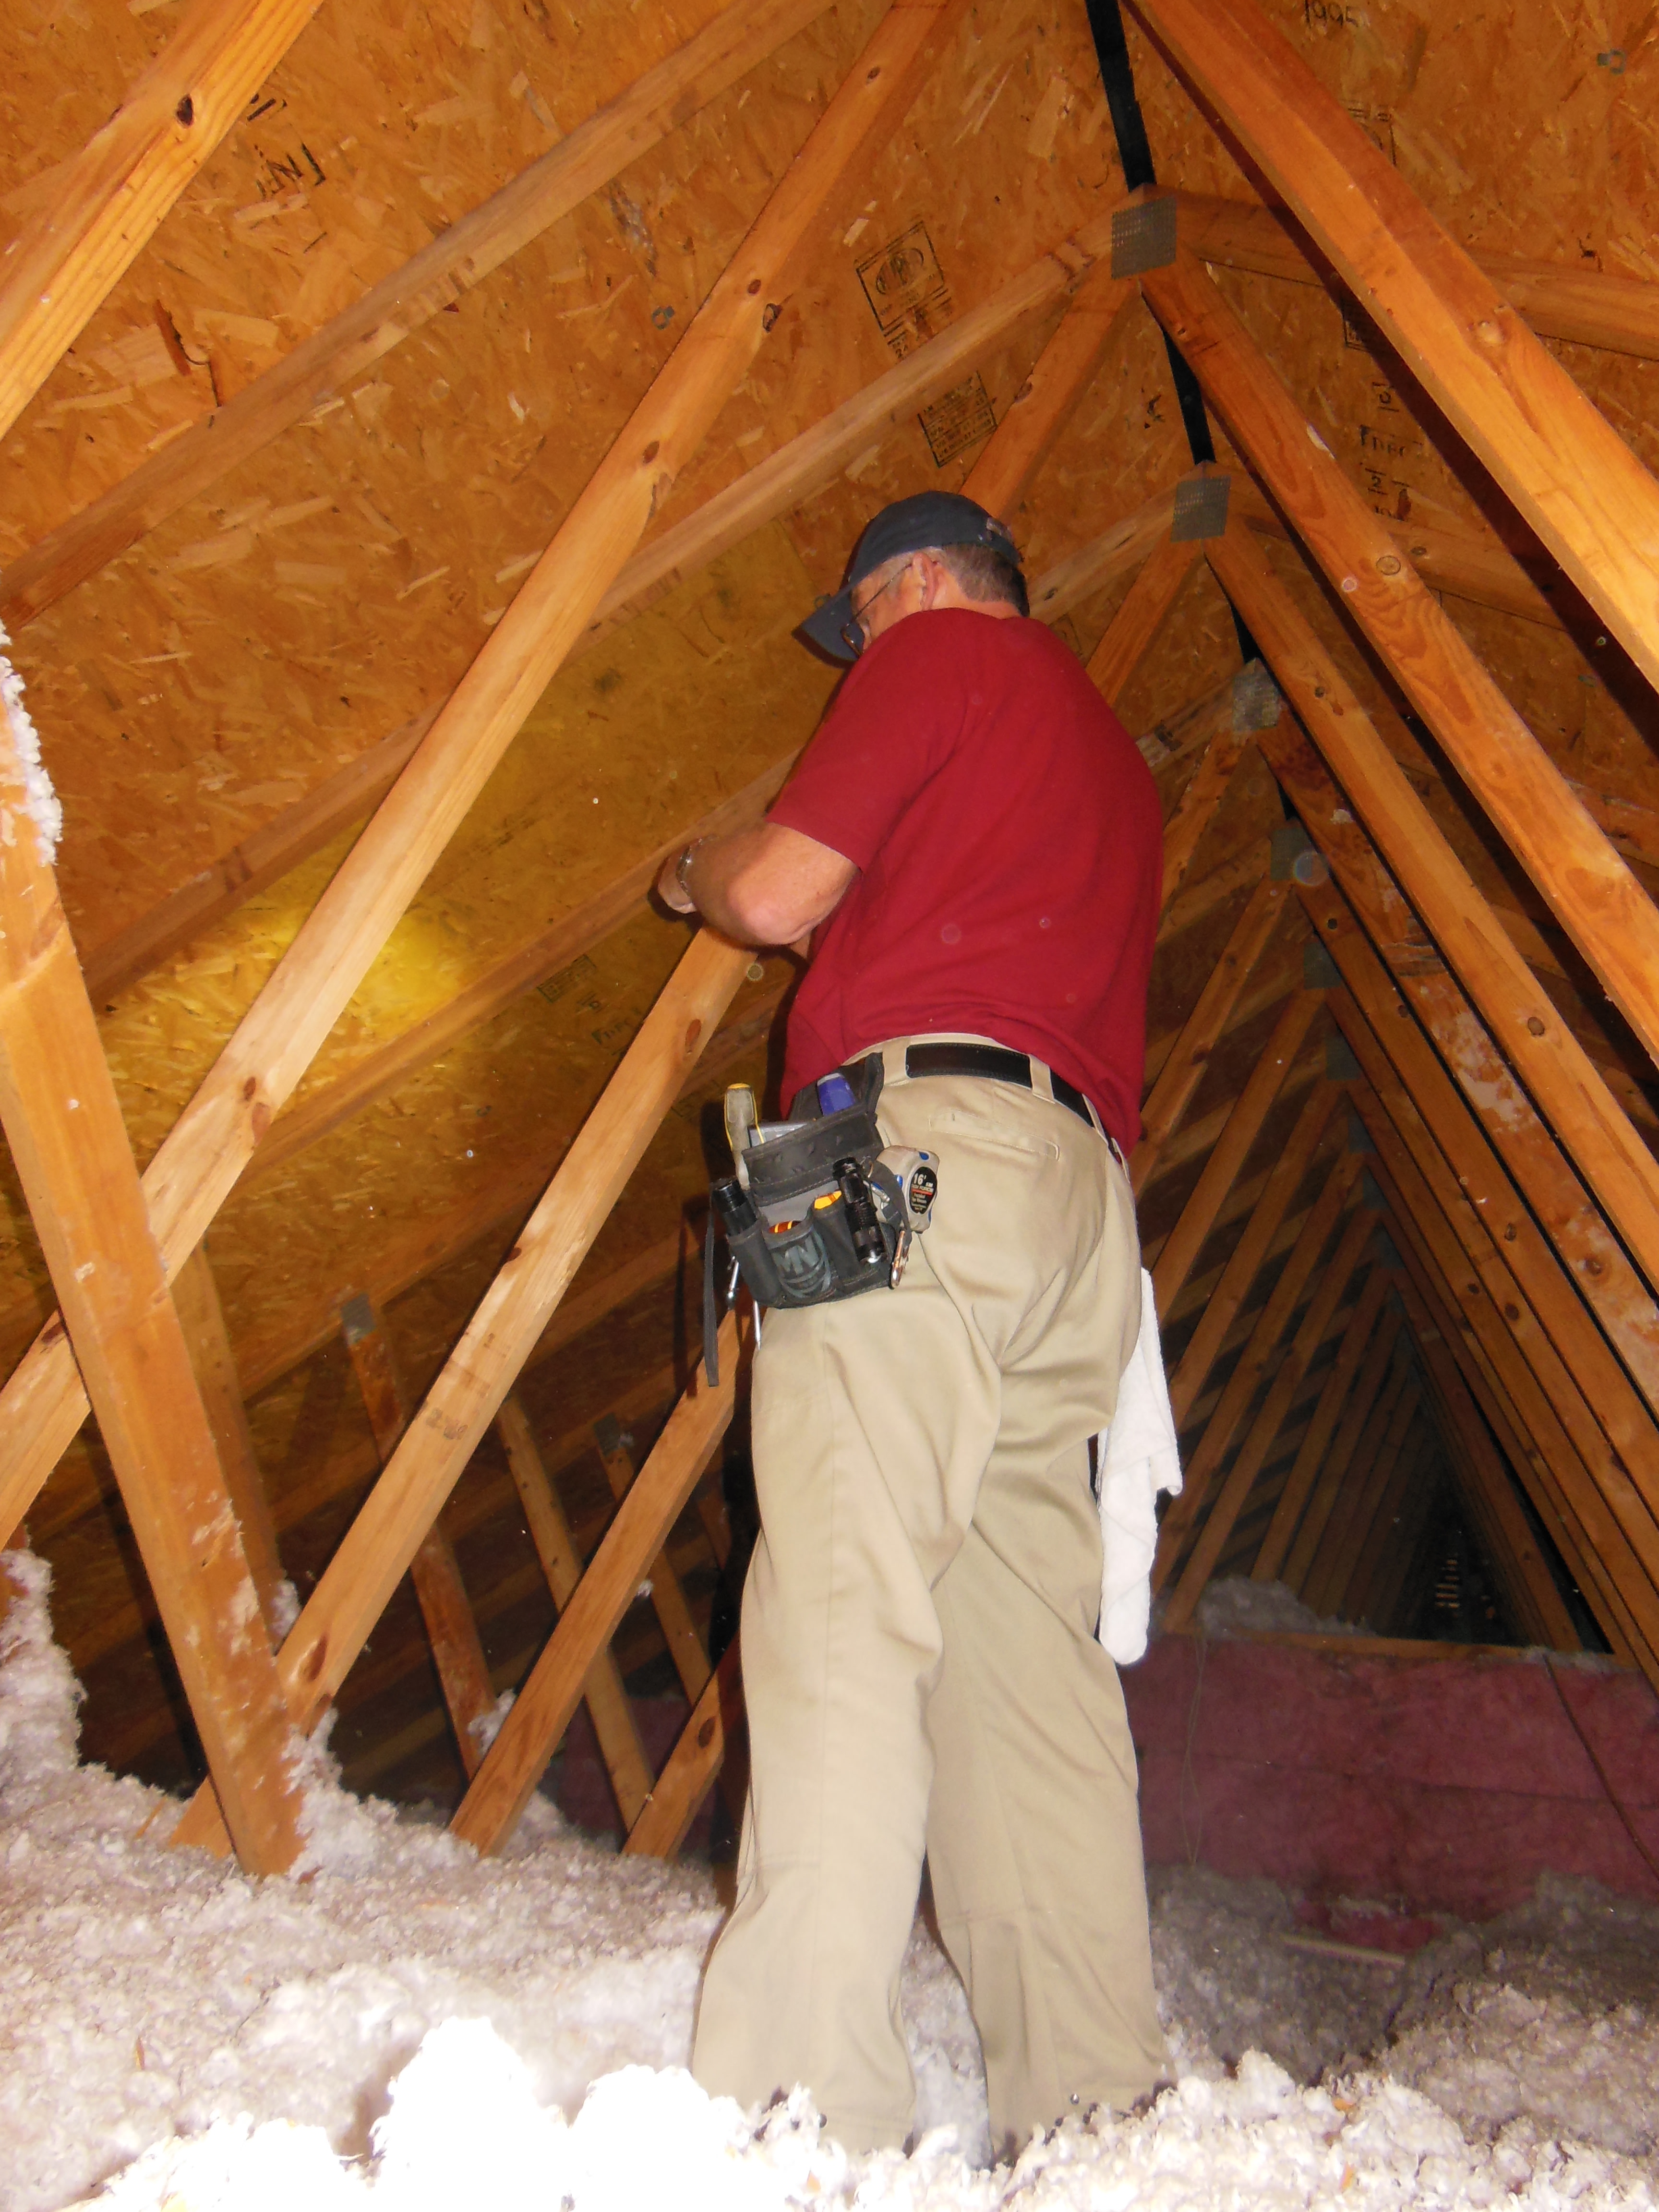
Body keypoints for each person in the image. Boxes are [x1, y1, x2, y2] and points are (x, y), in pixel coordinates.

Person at [654, 491, 1167, 2158]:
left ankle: (800, 2122)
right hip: (1078, 1210)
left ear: (929, 582)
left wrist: (690, 867)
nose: (859, 650)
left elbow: (783, 893)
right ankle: (1093, 2110)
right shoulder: (1115, 765)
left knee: (844, 1610)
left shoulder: (940, 654)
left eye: (862, 615)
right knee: (1028, 1671)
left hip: (927, 1172)